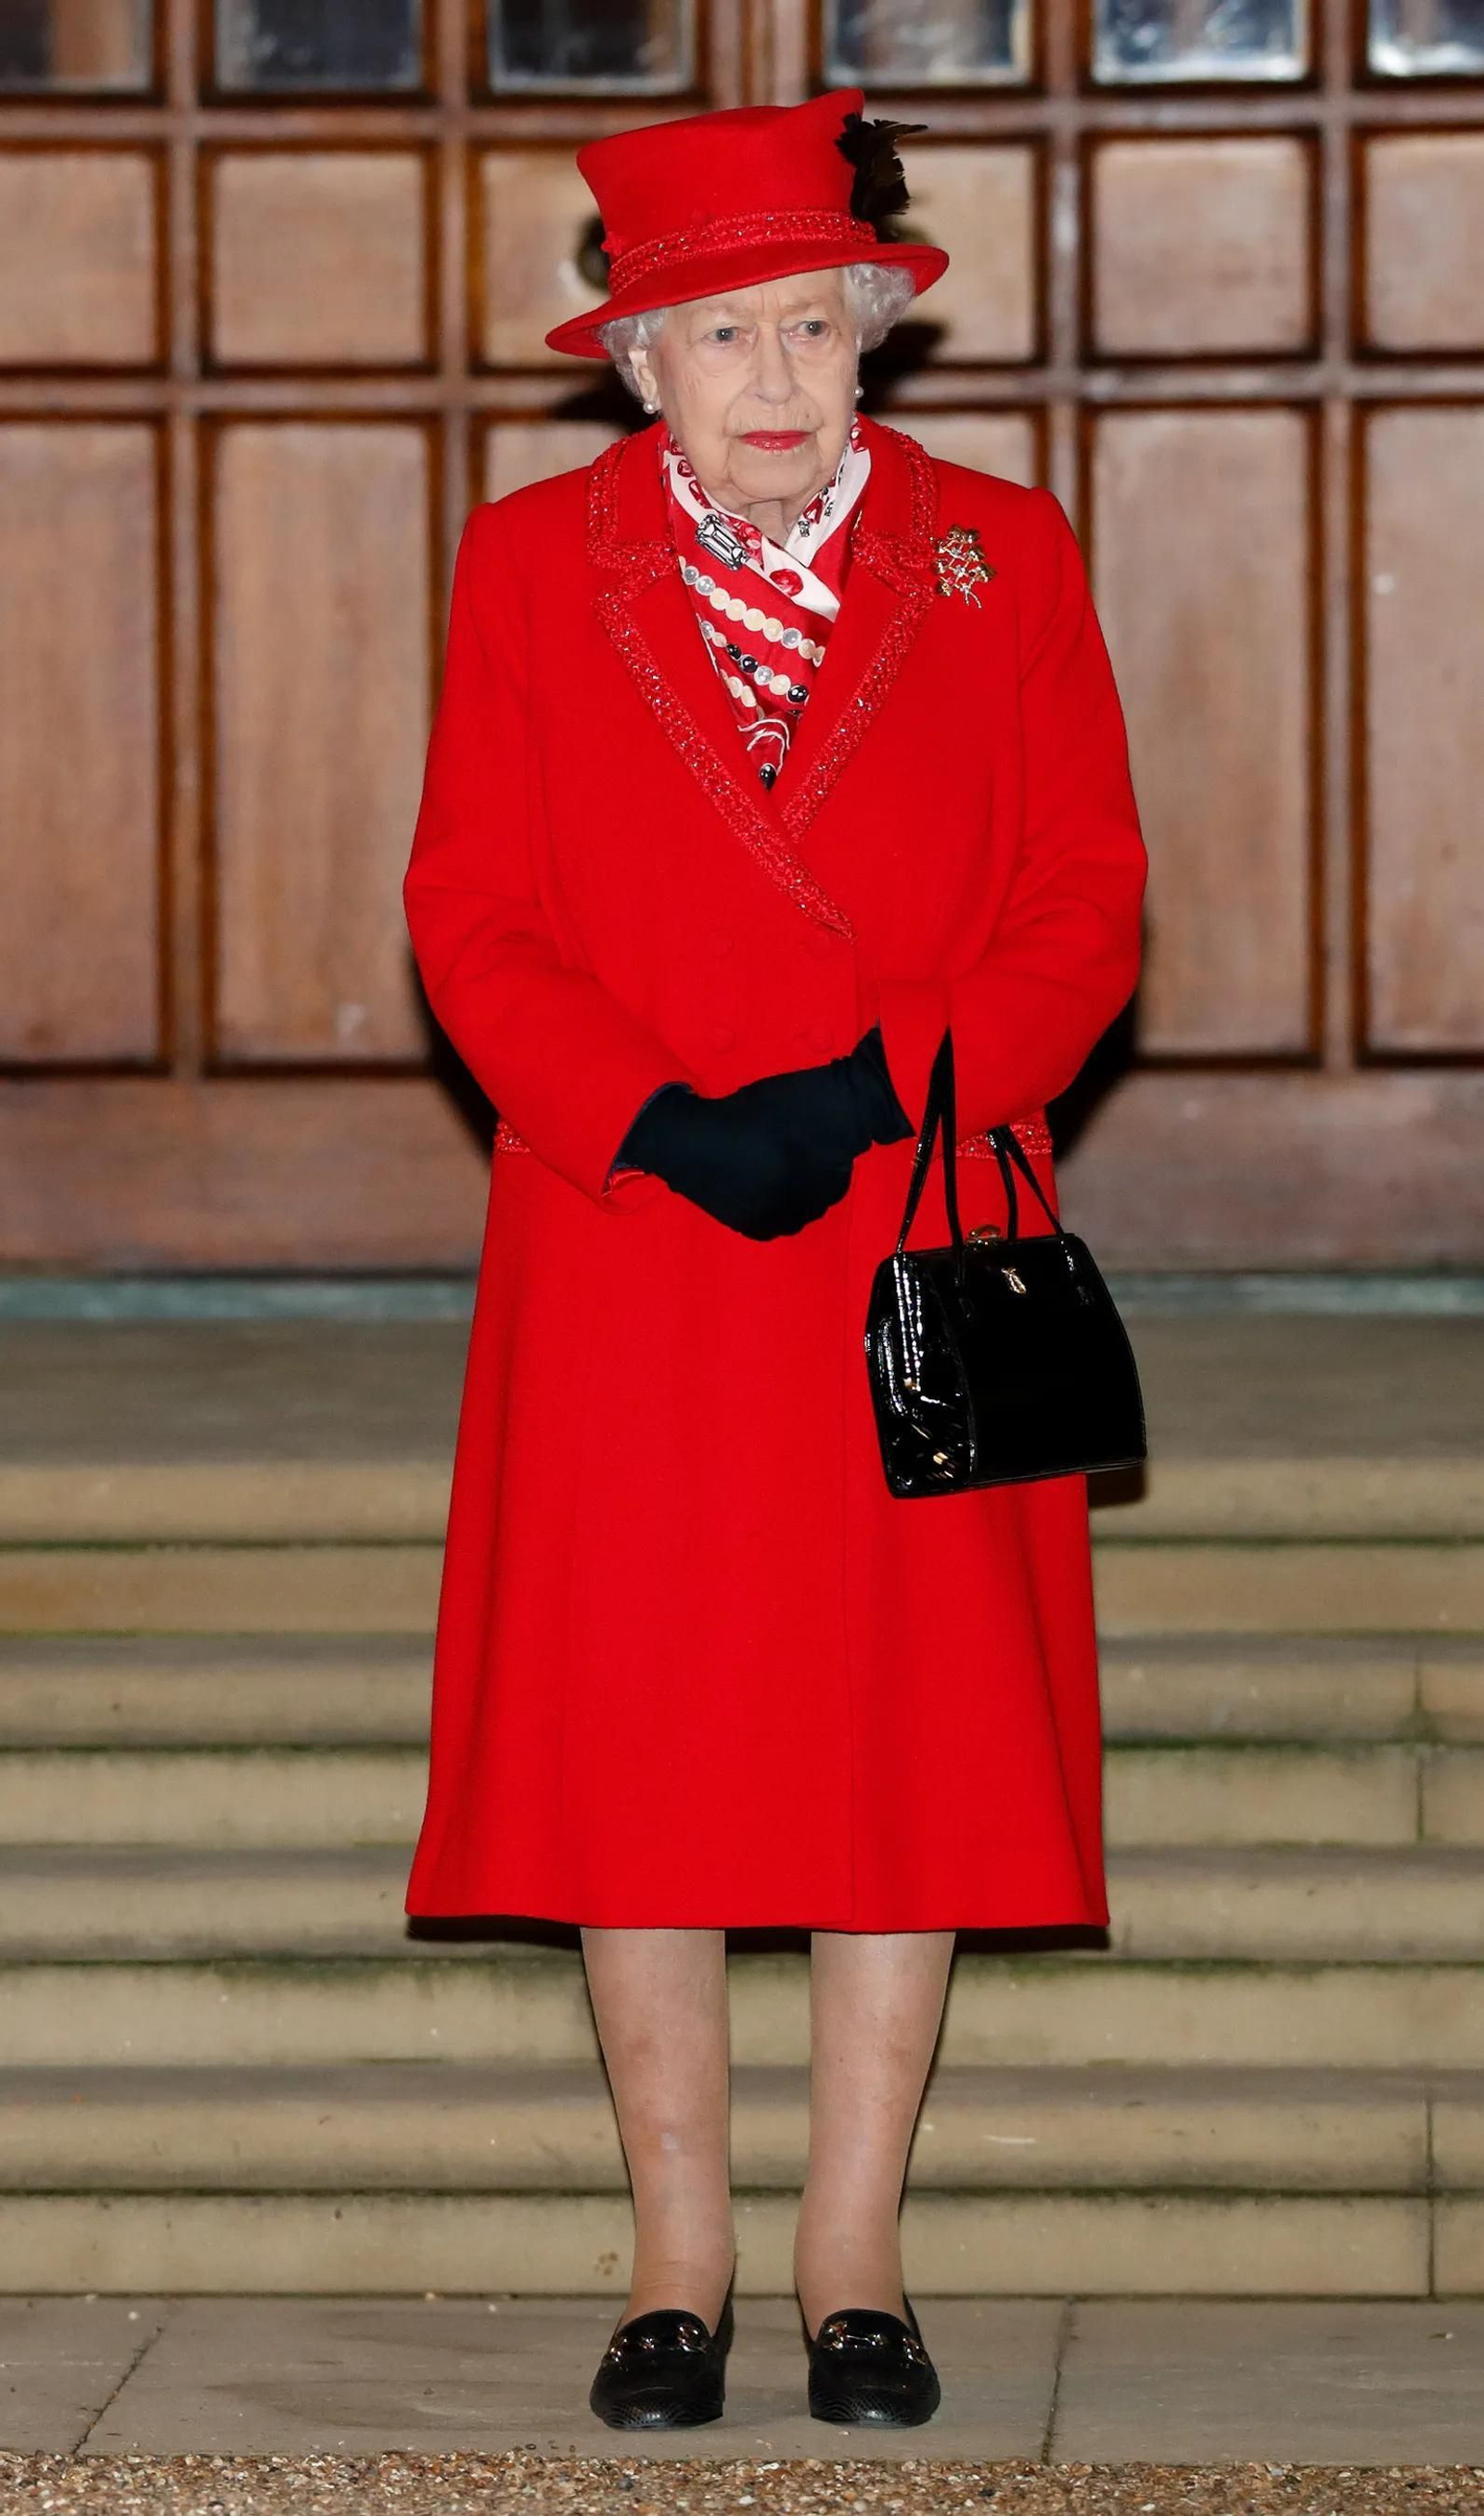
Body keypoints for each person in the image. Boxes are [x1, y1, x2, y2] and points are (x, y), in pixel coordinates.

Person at [402, 85, 1145, 2432]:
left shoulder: (998, 560)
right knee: (641, 1745)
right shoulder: (530, 568)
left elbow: (1085, 909)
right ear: (633, 364)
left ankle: (853, 2257)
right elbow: (471, 915)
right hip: (635, 1244)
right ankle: (673, 2256)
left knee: (897, 1750)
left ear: (868, 337)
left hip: (908, 1227)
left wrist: (873, 1087)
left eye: (810, 328)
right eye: (718, 337)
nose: (772, 379)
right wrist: (645, 1121)